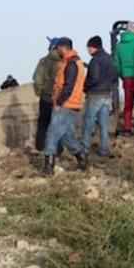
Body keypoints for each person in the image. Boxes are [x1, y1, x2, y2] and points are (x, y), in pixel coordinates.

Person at [41, 37, 89, 176]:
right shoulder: (73, 62)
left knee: (52, 133)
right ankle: (82, 158)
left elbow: (68, 86)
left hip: (66, 104)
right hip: (71, 104)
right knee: (67, 136)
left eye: (58, 48)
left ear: (63, 47)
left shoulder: (71, 64)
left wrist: (59, 102)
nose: (57, 51)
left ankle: (48, 167)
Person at [81, 36, 117, 157]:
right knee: (103, 124)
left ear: (93, 47)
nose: (88, 50)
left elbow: (94, 78)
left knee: (88, 123)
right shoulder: (109, 58)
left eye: (89, 47)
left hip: (95, 94)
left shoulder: (95, 60)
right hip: (107, 94)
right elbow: (114, 76)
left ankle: (85, 148)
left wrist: (85, 86)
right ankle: (104, 149)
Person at [32, 38, 62, 151]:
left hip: (45, 97)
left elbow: (37, 78)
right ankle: (58, 149)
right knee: (58, 124)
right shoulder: (64, 62)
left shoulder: (43, 61)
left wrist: (40, 92)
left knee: (43, 123)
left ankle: (40, 146)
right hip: (60, 98)